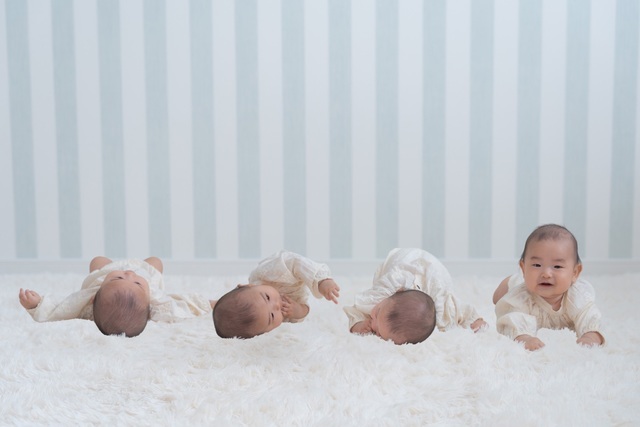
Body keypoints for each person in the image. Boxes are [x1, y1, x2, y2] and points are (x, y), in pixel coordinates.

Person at [18, 256, 215, 337]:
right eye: (135, 283)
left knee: (98, 261)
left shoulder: (86, 303)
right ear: (150, 303)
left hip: (107, 270)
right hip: (146, 273)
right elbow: (183, 306)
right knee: (156, 262)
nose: (129, 274)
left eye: (120, 278)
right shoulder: (155, 299)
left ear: (93, 298)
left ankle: (108, 271)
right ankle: (142, 275)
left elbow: (62, 308)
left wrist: (37, 304)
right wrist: (210, 304)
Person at [493, 224, 605, 351]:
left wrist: (590, 335)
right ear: (523, 268)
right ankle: (510, 280)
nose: (546, 274)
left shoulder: (577, 295)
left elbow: (589, 316)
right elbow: (513, 319)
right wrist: (524, 337)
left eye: (557, 266)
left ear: (575, 273)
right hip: (516, 284)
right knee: (501, 296)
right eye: (536, 265)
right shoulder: (521, 298)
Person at [344, 248, 486, 345]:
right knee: (372, 303)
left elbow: (458, 310)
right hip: (404, 259)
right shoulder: (387, 286)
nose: (372, 323)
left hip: (435, 274)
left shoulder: (441, 308)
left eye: (379, 333)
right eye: (377, 313)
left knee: (450, 309)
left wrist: (474, 322)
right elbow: (356, 308)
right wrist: (358, 324)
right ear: (395, 292)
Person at [212, 250, 340, 339]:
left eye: (267, 297)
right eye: (272, 316)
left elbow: (295, 262)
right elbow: (305, 310)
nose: (277, 306)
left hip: (292, 272)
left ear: (249, 285)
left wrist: (322, 280)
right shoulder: (283, 312)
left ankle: (216, 302)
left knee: (240, 302)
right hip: (294, 293)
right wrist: (296, 310)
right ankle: (217, 303)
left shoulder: (269, 273)